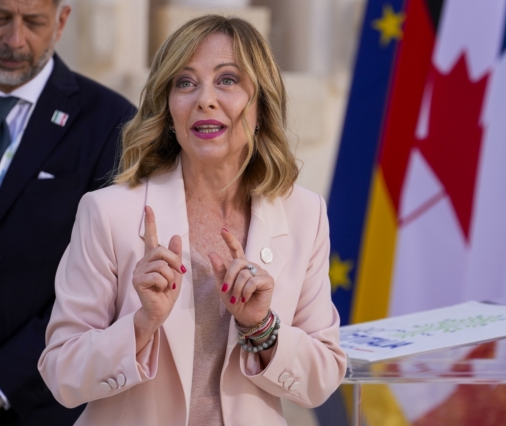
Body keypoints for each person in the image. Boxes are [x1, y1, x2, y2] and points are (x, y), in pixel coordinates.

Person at [39, 14, 347, 425]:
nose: (205, 98)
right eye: (185, 82)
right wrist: (142, 324)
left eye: (228, 80)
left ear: (261, 105)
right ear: (168, 109)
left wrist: (262, 327)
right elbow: (61, 374)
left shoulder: (305, 214)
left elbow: (322, 378)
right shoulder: (108, 212)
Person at [0, 0, 136, 424]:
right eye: (0, 17)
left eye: (34, 22)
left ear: (61, 22)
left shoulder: (111, 123)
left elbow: (106, 285)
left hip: (39, 404)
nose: (14, 39)